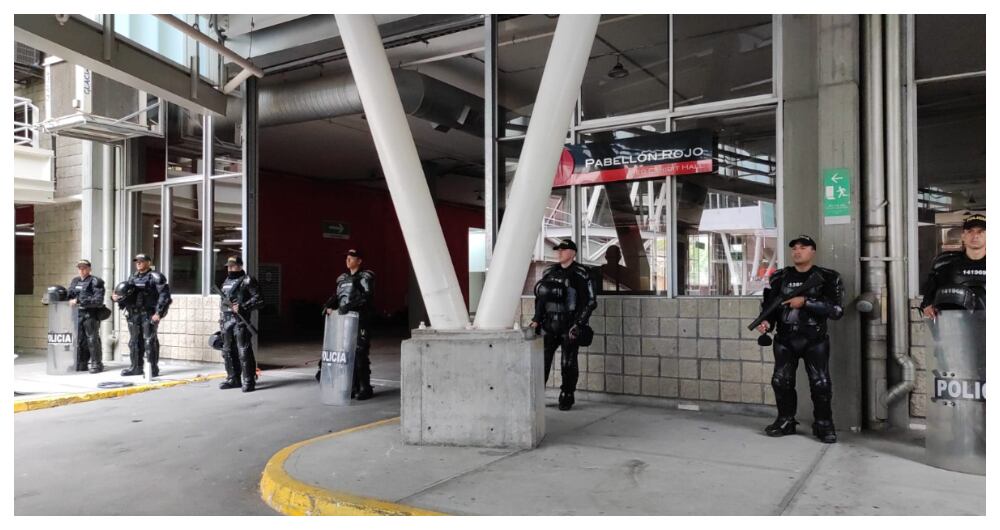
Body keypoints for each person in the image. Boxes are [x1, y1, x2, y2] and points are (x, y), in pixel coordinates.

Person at [756, 235, 844, 443]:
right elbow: (771, 306)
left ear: (813, 251)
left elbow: (837, 310)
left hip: (815, 339)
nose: (797, 251)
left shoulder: (828, 277)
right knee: (781, 381)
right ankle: (786, 421)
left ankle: (823, 424)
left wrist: (805, 302)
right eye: (794, 248)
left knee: (821, 383)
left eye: (803, 247)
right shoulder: (779, 277)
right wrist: (767, 322)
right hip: (785, 339)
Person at [530, 239, 597, 411]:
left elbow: (590, 301)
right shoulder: (549, 272)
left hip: (570, 326)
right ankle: (536, 396)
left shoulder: (582, 273)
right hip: (549, 325)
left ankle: (567, 395)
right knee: (542, 362)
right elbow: (541, 299)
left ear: (573, 253)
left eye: (564, 250)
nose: (559, 253)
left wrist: (579, 324)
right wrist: (537, 319)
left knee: (568, 363)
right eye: (558, 250)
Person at [319, 249, 376, 400]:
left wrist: (349, 306)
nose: (348, 260)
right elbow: (337, 296)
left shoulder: (365, 277)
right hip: (344, 322)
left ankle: (365, 387)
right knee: (346, 354)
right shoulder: (342, 279)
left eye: (351, 258)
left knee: (360, 353)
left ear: (359, 261)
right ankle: (351, 386)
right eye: (347, 258)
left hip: (360, 320)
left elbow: (367, 297)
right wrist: (327, 305)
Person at [112, 253, 172, 377]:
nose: (138, 263)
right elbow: (126, 293)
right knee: (134, 342)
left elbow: (164, 297)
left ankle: (152, 369)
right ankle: (136, 367)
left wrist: (158, 313)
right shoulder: (132, 277)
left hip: (148, 314)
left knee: (149, 341)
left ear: (148, 262)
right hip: (133, 314)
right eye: (137, 261)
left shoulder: (156, 277)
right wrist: (116, 297)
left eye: (141, 261)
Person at [920, 213, 986, 317]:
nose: (975, 236)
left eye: (981, 231)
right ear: (963, 236)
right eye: (970, 231)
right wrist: (927, 306)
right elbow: (928, 299)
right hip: (954, 327)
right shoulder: (945, 263)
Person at [217, 255, 264, 392]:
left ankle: (249, 380)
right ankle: (233, 378)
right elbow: (223, 302)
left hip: (240, 321)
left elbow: (260, 299)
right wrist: (221, 317)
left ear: (240, 266)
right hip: (226, 321)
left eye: (233, 265)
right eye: (228, 266)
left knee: (243, 351)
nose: (230, 268)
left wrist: (243, 306)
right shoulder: (225, 281)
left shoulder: (248, 280)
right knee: (227, 351)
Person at [67, 259, 106, 373]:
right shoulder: (75, 281)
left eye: (84, 267)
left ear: (89, 269)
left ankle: (96, 364)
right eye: (80, 268)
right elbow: (69, 295)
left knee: (92, 339)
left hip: (90, 315)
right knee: (79, 340)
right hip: (77, 314)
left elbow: (98, 300)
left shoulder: (95, 281)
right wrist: (53, 297)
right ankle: (81, 363)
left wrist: (78, 300)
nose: (82, 270)